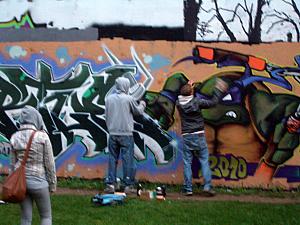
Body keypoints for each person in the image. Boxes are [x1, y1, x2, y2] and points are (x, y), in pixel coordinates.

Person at [176, 78, 228, 196]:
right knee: (204, 160)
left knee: (187, 162)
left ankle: (188, 189)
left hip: (187, 135)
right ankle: (207, 186)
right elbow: (213, 102)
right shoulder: (197, 102)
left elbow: (184, 95)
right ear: (191, 93)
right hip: (198, 135)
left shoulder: (178, 104)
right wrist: (218, 90)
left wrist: (189, 88)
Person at [10, 105, 56, 225]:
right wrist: (52, 185)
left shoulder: (14, 137)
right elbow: (50, 164)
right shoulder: (42, 136)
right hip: (39, 182)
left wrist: (12, 183)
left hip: (21, 183)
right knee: (46, 217)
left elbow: (12, 164)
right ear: (36, 119)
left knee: (25, 218)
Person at [104, 77, 146, 194]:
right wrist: (143, 103)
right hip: (126, 134)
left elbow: (106, 115)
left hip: (112, 133)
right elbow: (138, 112)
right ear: (126, 86)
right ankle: (128, 185)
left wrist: (110, 128)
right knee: (127, 160)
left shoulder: (109, 99)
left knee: (112, 158)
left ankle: (111, 184)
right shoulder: (129, 99)